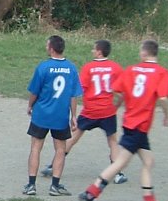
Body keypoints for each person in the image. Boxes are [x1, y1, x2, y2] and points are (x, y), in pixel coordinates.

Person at [79, 39, 168, 201]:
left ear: (144, 53)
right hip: (139, 125)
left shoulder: (131, 70)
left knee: (148, 161)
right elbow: (162, 98)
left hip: (132, 122)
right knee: (120, 163)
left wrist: (124, 103)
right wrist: (167, 115)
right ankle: (90, 194)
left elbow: (117, 90)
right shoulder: (162, 72)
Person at [41, 40, 127, 184]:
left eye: (94, 49)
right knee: (112, 141)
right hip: (107, 111)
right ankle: (118, 173)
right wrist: (116, 106)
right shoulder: (115, 67)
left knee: (74, 137)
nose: (92, 51)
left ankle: (53, 166)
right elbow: (122, 90)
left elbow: (80, 89)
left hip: (90, 110)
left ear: (99, 52)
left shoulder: (89, 67)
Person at [23, 35, 82, 197]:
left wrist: (30, 105)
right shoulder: (71, 68)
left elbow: (34, 91)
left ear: (51, 48)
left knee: (36, 147)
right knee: (60, 150)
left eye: (47, 45)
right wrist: (74, 116)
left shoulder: (43, 67)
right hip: (60, 116)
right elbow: (73, 95)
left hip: (41, 114)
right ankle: (55, 186)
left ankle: (31, 185)